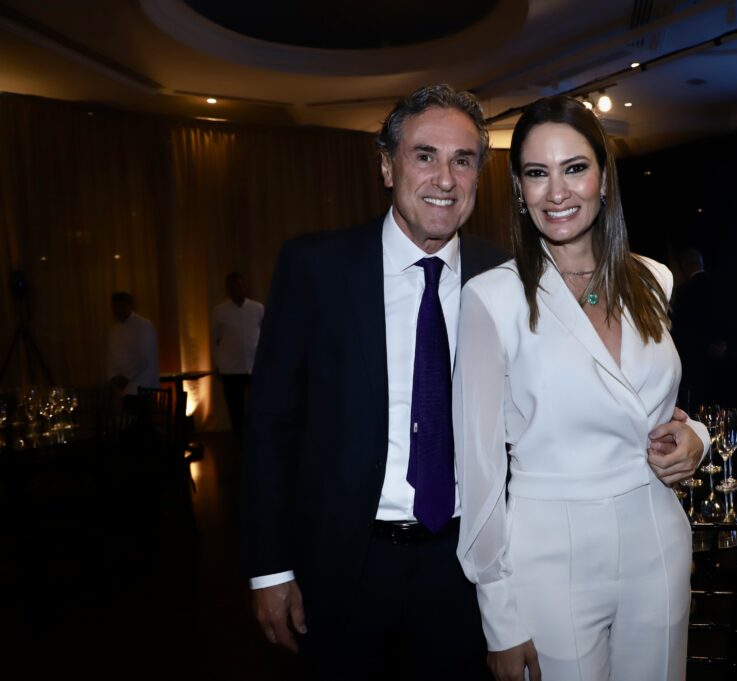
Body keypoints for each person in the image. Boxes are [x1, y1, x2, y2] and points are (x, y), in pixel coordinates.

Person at [243, 84, 700, 680]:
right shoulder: (317, 268)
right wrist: (271, 568)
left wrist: (692, 435)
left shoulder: (501, 274)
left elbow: (618, 395)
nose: (445, 178)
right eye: (424, 156)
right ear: (387, 166)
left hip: (462, 568)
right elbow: (271, 424)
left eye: (462, 160)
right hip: (346, 559)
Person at [454, 96, 709, 681]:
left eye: (574, 168)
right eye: (537, 173)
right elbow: (480, 469)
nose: (557, 192)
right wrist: (499, 615)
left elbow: (658, 406)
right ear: (519, 190)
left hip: (657, 533)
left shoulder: (654, 279)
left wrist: (693, 436)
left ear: (603, 178)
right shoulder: (492, 299)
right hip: (550, 552)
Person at [668, 248, 728, 409]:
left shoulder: (685, 290)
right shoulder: (718, 285)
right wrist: (721, 343)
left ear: (685, 266)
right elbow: (725, 317)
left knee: (695, 401)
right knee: (716, 398)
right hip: (717, 354)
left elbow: (683, 327)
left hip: (694, 356)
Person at [211, 273, 263, 435]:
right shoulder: (219, 311)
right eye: (231, 287)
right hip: (230, 368)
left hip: (254, 365)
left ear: (244, 287)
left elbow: (265, 335)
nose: (235, 290)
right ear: (227, 290)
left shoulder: (258, 308)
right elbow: (214, 339)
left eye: (238, 286)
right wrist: (217, 364)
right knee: (235, 409)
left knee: (258, 405)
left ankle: (257, 437)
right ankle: (239, 440)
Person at [107, 291, 159, 412]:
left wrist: (125, 377)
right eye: (115, 307)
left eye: (121, 306)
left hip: (142, 385)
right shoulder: (114, 330)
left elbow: (143, 357)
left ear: (130, 305)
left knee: (140, 420)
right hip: (123, 387)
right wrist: (113, 376)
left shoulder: (143, 325)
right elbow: (111, 356)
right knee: (127, 420)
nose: (118, 310)